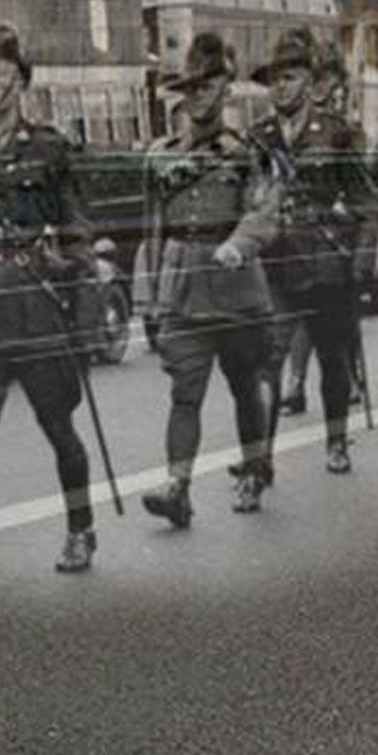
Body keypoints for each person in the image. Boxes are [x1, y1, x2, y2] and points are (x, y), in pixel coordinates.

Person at [0, 22, 100, 592]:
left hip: (35, 297)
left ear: (20, 80)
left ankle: (81, 527)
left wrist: (74, 286)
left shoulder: (49, 148)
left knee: (57, 424)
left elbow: (77, 226)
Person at [138, 33, 279, 524]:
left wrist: (237, 246)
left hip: (238, 292)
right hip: (184, 292)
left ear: (226, 89)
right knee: (185, 393)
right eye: (191, 87)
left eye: (209, 86)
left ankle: (253, 474)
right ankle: (177, 487)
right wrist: (149, 300)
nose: (199, 95)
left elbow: (264, 214)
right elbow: (152, 231)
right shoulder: (160, 154)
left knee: (245, 387)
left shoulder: (246, 151)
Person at [251, 28, 378, 477]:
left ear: (308, 80)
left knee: (332, 358)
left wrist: (360, 258)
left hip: (328, 267)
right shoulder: (259, 138)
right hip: (275, 267)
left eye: (288, 77)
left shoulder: (336, 134)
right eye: (273, 80)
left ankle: (336, 441)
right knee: (266, 363)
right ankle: (259, 463)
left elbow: (368, 202)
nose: (279, 87)